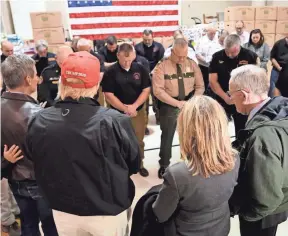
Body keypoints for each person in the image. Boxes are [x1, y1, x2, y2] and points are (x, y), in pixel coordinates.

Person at [26, 51, 140, 236]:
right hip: (106, 210)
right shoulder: (114, 121)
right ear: (96, 85)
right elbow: (133, 164)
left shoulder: (39, 120)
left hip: (62, 208)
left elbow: (34, 157)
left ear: (61, 83)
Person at [152, 95, 240, 236]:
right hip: (221, 227)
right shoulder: (234, 158)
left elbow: (160, 214)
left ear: (187, 129)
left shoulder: (177, 174)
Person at [1, 54, 58, 235]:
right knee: (50, 225)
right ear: (27, 79)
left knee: (28, 224)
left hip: (15, 180)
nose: (38, 79)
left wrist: (5, 161)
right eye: (36, 74)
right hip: (41, 181)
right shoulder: (38, 115)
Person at [229, 65, 288, 236]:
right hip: (280, 202)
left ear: (244, 95)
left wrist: (246, 214)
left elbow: (266, 198)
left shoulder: (262, 135)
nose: (231, 99)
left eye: (232, 94)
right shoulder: (280, 108)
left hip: (262, 215)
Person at [153, 38, 205, 178]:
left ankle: (189, 161)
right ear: (172, 51)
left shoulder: (192, 64)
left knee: (191, 135)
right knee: (167, 135)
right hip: (170, 104)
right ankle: (164, 164)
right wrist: (177, 104)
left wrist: (193, 101)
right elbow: (158, 91)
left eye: (185, 55)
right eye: (179, 55)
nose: (182, 58)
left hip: (190, 103)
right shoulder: (162, 66)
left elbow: (200, 86)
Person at [102, 43, 151, 177]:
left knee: (138, 140)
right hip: (117, 112)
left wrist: (134, 106)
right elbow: (108, 95)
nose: (127, 63)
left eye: (130, 60)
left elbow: (146, 89)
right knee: (118, 140)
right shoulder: (111, 72)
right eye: (124, 60)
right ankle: (122, 166)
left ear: (134, 55)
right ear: (118, 55)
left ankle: (139, 164)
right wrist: (125, 109)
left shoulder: (140, 69)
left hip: (137, 111)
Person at [209, 34, 259, 138]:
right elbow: (213, 81)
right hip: (222, 97)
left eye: (233, 52)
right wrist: (226, 97)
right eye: (228, 51)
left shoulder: (250, 56)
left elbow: (256, 80)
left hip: (243, 99)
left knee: (242, 131)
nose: (230, 55)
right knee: (218, 129)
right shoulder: (217, 57)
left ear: (239, 46)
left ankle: (241, 151)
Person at [135, 29, 165, 128]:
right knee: (144, 100)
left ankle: (159, 118)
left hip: (155, 74)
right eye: (145, 40)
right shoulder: (138, 48)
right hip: (142, 76)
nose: (147, 42)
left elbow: (162, 61)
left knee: (157, 97)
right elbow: (135, 62)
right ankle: (145, 122)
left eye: (149, 40)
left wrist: (154, 71)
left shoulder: (159, 47)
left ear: (153, 37)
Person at [77, 38, 106, 105]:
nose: (84, 53)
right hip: (80, 90)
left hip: (95, 87)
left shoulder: (98, 58)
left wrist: (93, 87)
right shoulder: (75, 57)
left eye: (86, 50)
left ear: (90, 48)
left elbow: (101, 73)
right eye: (81, 51)